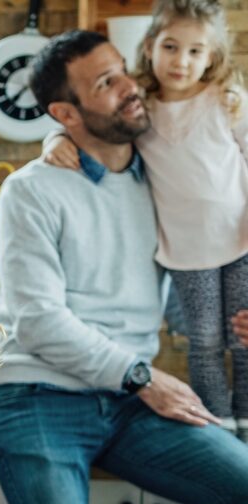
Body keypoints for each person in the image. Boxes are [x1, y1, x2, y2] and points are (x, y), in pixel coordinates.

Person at [0, 29, 248, 504]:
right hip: (36, 396)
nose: (129, 87)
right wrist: (143, 376)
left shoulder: (158, 174)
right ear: (64, 117)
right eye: (103, 85)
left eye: (121, 74)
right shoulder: (34, 189)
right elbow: (36, 317)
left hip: (130, 402)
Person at [43, 0, 248, 442]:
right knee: (207, 342)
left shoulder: (227, 100)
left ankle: (246, 422)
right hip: (187, 251)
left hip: (241, 240)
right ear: (150, 46)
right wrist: (54, 137)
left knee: (245, 339)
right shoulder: (144, 107)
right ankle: (221, 428)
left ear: (212, 57)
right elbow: (87, 123)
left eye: (196, 52)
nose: (182, 61)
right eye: (171, 47)